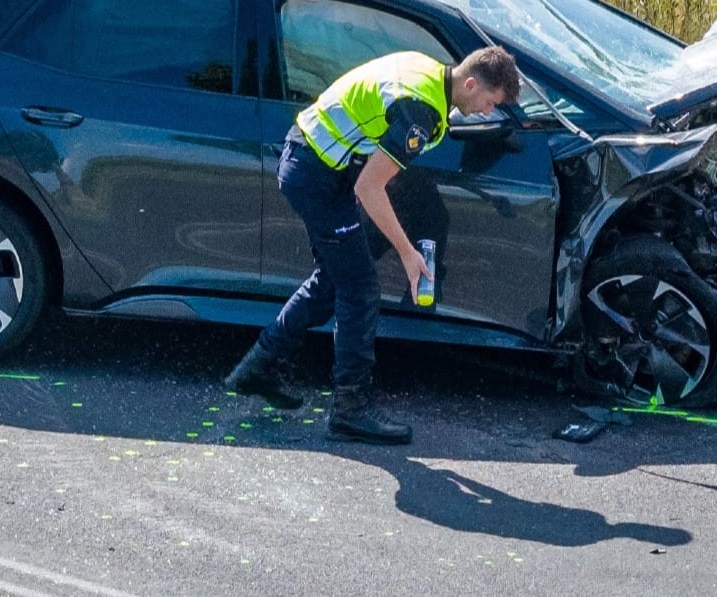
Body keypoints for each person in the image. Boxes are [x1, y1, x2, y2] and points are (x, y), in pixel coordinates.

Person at [223, 45, 522, 444]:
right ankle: (350, 411)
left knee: (334, 280)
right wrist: (407, 253)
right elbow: (369, 187)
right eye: (490, 102)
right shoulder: (422, 112)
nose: (487, 112)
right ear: (470, 83)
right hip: (317, 175)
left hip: (314, 161)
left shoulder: (426, 70)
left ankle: (258, 366)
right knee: (360, 289)